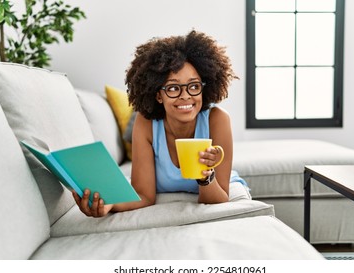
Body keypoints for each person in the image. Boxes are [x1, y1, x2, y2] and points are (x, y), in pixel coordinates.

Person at [72, 30, 246, 217]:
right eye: (172, 88)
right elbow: (144, 195)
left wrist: (206, 177)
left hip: (214, 190)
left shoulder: (217, 119)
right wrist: (109, 205)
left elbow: (219, 199)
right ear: (158, 95)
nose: (186, 95)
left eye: (194, 86)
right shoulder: (146, 124)